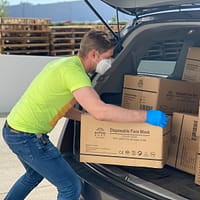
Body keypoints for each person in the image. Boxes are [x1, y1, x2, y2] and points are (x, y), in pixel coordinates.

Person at [2, 29, 168, 200]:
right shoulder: (76, 75)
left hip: (13, 129)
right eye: (108, 57)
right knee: (70, 186)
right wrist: (146, 116)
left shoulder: (64, 64)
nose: (110, 62)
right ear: (94, 54)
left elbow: (62, 107)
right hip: (27, 137)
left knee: (33, 175)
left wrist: (85, 119)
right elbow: (101, 111)